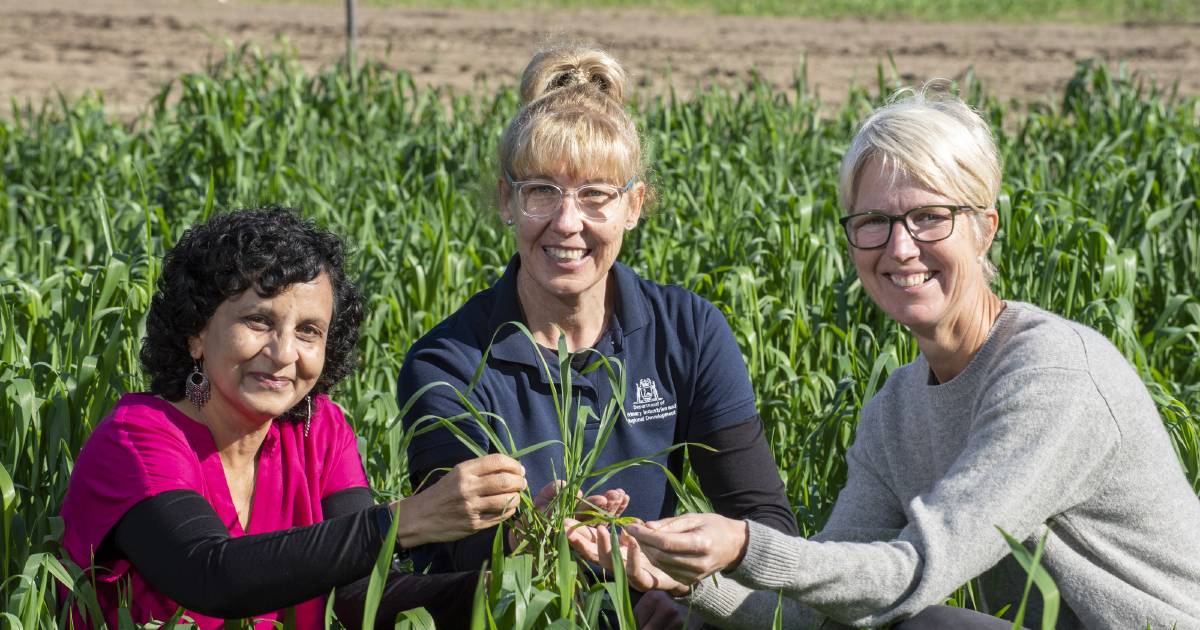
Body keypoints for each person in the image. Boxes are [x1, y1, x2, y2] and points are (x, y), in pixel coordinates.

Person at [583, 85, 1200, 629]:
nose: (900, 248)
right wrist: (685, 577)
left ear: (985, 228)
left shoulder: (1051, 378)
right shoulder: (896, 410)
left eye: (930, 217)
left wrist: (744, 544)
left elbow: (917, 572)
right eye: (874, 221)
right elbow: (818, 610)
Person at [397, 45, 798, 627]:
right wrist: (532, 537)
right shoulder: (449, 363)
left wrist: (681, 586)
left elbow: (765, 528)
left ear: (634, 205)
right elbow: (452, 558)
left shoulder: (689, 331)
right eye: (541, 191)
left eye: (595, 194)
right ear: (507, 201)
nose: (567, 222)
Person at [60, 208, 528, 629]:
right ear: (196, 333)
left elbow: (358, 596)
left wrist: (515, 583)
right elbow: (211, 573)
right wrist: (406, 520)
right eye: (258, 321)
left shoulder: (320, 429)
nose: (284, 354)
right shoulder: (138, 438)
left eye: (309, 331)